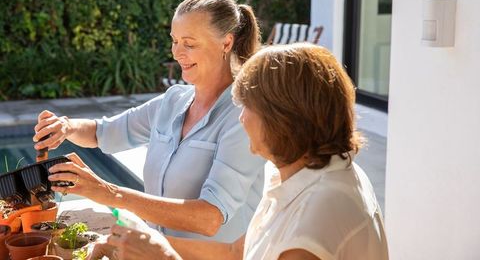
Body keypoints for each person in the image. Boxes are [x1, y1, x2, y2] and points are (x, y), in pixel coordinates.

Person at [90, 43, 389, 260]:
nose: (241, 118)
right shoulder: (304, 172)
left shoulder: (314, 223)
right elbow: (236, 252)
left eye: (247, 108)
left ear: (282, 119)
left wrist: (163, 258)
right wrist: (136, 242)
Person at [33, 0, 266, 243]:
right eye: (174, 40)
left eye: (189, 43)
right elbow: (103, 132)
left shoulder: (242, 117)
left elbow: (210, 218)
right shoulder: (173, 101)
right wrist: (65, 127)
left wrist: (109, 193)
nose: (177, 52)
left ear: (226, 43)